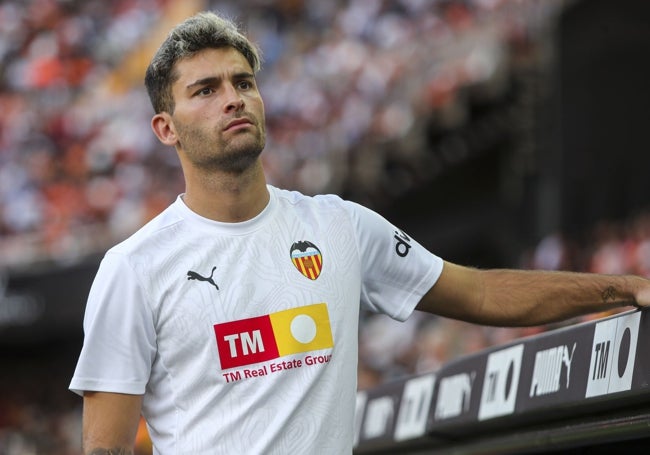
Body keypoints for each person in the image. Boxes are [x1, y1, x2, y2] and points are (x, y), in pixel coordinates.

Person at [69, 11, 650, 455]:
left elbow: (478, 293)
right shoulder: (134, 267)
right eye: (206, 90)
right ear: (165, 128)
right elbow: (107, 447)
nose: (233, 100)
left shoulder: (338, 225)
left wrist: (622, 288)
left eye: (242, 82)